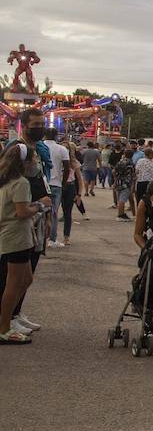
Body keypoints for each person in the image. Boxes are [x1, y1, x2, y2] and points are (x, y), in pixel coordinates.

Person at [0, 144, 45, 344]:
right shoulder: (21, 183)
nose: (36, 162)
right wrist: (39, 206)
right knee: (14, 283)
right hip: (16, 236)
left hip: (17, 236)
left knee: (26, 279)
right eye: (34, 158)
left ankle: (8, 319)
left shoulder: (6, 180)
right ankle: (4, 327)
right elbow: (21, 212)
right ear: (25, 162)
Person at [43, 129, 73, 247]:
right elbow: (67, 167)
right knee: (54, 212)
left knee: (40, 211)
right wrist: (64, 182)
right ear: (56, 136)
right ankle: (52, 239)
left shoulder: (40, 147)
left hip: (42, 183)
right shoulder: (62, 149)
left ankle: (40, 238)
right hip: (56, 184)